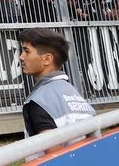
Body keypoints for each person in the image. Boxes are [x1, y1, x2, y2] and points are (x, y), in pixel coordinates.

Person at [19, 29, 97, 159]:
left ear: (47, 59)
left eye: (27, 51)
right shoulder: (72, 92)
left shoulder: (39, 101)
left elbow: (54, 158)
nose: (21, 56)